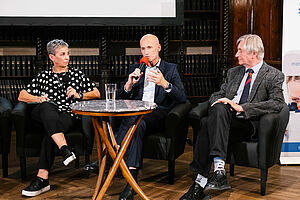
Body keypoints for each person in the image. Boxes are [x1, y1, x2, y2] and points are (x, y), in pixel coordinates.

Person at [180, 34, 285, 200]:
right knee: (218, 112)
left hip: (247, 122)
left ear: (254, 54)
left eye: (240, 51)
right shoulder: (233, 73)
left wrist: (241, 107)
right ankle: (216, 174)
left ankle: (201, 180)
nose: (236, 55)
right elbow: (218, 94)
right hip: (224, 118)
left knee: (208, 123)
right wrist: (224, 102)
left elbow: (278, 103)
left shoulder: (273, 75)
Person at [19, 39, 100, 197]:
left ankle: (42, 178)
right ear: (52, 57)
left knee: (50, 132)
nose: (67, 57)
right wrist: (39, 99)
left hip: (67, 114)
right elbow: (22, 95)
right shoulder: (44, 76)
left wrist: (79, 95)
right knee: (48, 106)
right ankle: (65, 148)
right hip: (43, 113)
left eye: (68, 54)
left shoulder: (76, 74)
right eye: (62, 54)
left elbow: (96, 93)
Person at [115, 34, 186, 200]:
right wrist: (129, 84)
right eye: (143, 48)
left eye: (150, 47)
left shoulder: (170, 69)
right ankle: (132, 183)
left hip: (158, 113)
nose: (146, 52)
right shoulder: (137, 67)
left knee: (136, 118)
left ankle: (113, 154)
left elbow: (182, 97)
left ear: (159, 48)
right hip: (138, 115)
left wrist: (164, 83)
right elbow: (119, 96)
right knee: (137, 124)